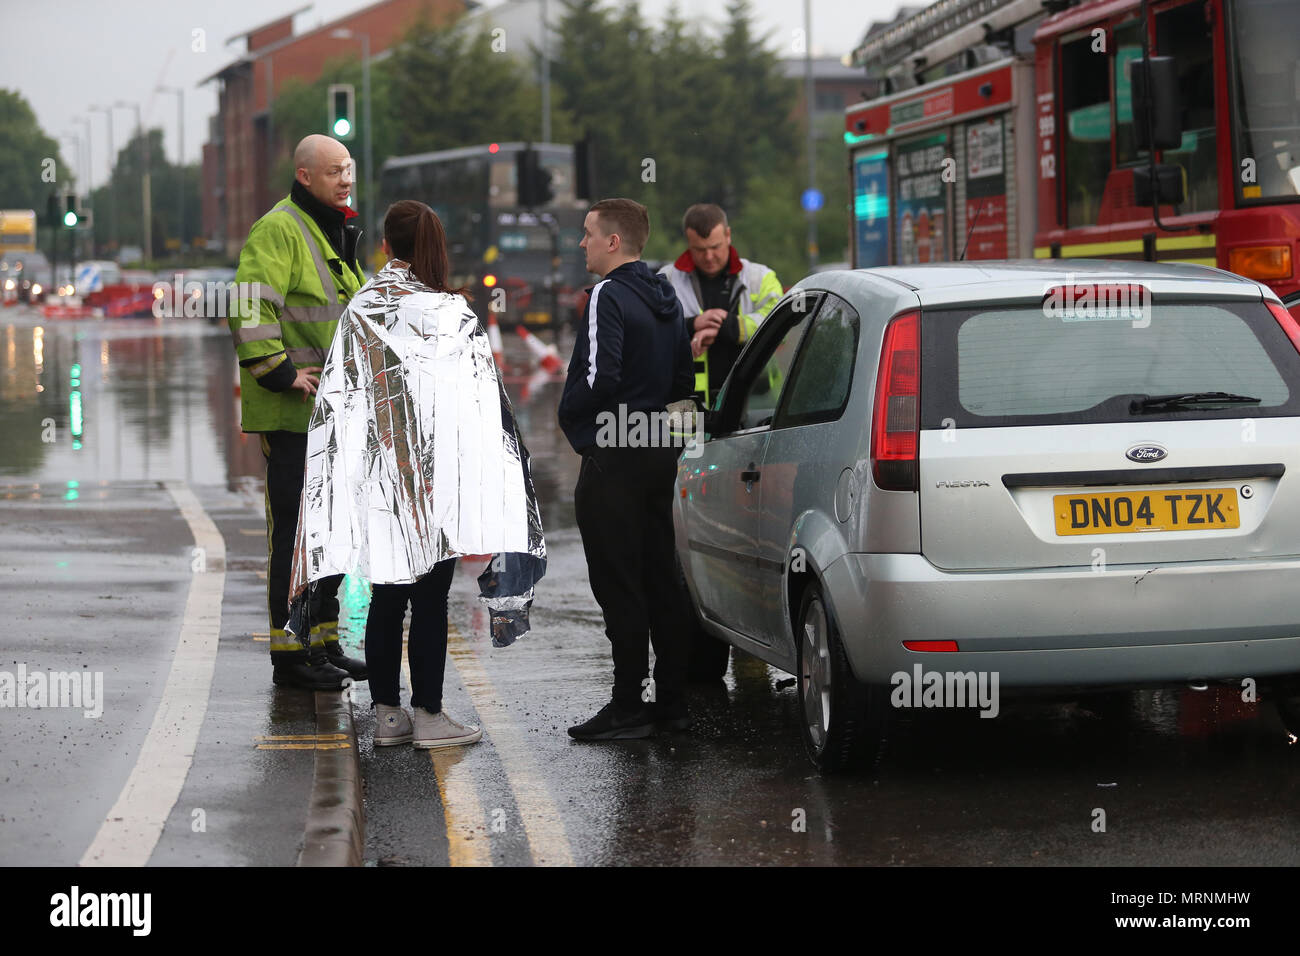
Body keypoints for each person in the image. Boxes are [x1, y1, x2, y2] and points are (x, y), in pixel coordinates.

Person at [286, 199, 547, 748]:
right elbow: (482, 407)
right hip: (439, 480)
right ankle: (429, 713)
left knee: (387, 592)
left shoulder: (362, 308)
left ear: (385, 246)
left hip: (384, 479)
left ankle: (386, 717)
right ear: (435, 247)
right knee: (430, 597)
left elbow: (341, 401)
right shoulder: (452, 313)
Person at [228, 133, 368, 690]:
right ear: (305, 176)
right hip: (294, 419)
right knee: (295, 537)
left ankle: (322, 639)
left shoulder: (327, 229)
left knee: (330, 534)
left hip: (332, 418)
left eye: (350, 169)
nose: (346, 179)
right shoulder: (280, 227)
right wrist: (283, 374)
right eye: (335, 171)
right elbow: (246, 303)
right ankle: (290, 655)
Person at [558, 198, 696, 740]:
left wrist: (573, 419)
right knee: (661, 574)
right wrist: (672, 444)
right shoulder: (669, 293)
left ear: (613, 241)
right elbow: (685, 385)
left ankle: (626, 705)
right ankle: (673, 705)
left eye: (588, 233)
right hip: (661, 451)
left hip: (615, 457)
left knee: (619, 582)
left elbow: (601, 376)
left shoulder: (606, 296)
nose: (582, 243)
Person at [659, 203, 783, 409]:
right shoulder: (667, 279)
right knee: (682, 443)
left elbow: (779, 327)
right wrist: (691, 326)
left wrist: (729, 326)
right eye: (699, 249)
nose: (708, 257)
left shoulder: (760, 277)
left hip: (756, 403)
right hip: (684, 405)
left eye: (715, 247)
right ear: (688, 242)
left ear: (728, 235)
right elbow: (651, 332)